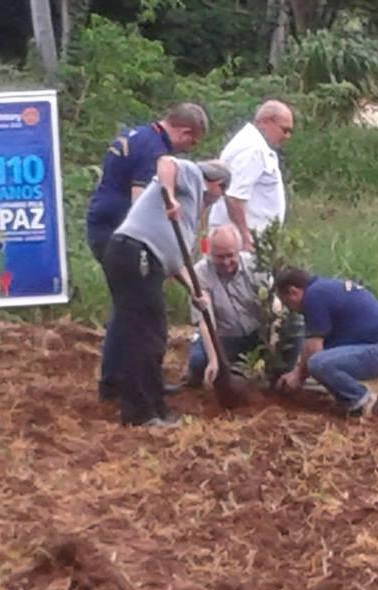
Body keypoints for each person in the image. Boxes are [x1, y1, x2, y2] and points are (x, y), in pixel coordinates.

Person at [86, 102, 209, 401]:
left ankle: (118, 379)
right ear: (184, 131)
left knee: (126, 309)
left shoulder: (137, 134)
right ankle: (126, 384)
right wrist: (152, 251)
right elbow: (140, 200)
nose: (188, 149)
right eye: (191, 142)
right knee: (138, 314)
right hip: (120, 236)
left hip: (102, 225)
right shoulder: (154, 150)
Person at [102, 157, 230, 427]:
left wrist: (196, 291)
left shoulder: (192, 207)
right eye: (220, 194)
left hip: (138, 256)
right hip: (136, 254)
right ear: (217, 185)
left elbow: (176, 260)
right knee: (146, 336)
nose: (216, 200)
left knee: (146, 332)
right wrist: (170, 197)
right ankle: (141, 413)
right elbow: (166, 162)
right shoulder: (193, 176)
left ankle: (149, 397)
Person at [274, 268, 378, 416]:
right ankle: (351, 398)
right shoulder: (323, 289)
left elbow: (313, 349)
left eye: (287, 303)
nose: (290, 309)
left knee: (318, 363)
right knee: (321, 361)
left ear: (293, 291)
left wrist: (297, 376)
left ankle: (364, 401)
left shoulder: (314, 296)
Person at [184, 224, 299, 386]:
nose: (226, 262)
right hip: (224, 338)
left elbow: (275, 305)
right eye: (219, 256)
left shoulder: (255, 266)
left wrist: (273, 341)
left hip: (258, 335)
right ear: (210, 253)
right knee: (198, 362)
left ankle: (283, 376)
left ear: (239, 251)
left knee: (295, 327)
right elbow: (205, 320)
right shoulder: (200, 274)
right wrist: (213, 360)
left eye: (230, 255)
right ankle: (220, 372)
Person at [207, 99, 294, 251]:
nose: (287, 136)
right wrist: (246, 237)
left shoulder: (250, 143)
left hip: (241, 238)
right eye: (285, 130)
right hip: (238, 243)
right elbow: (234, 197)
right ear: (266, 122)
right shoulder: (254, 149)